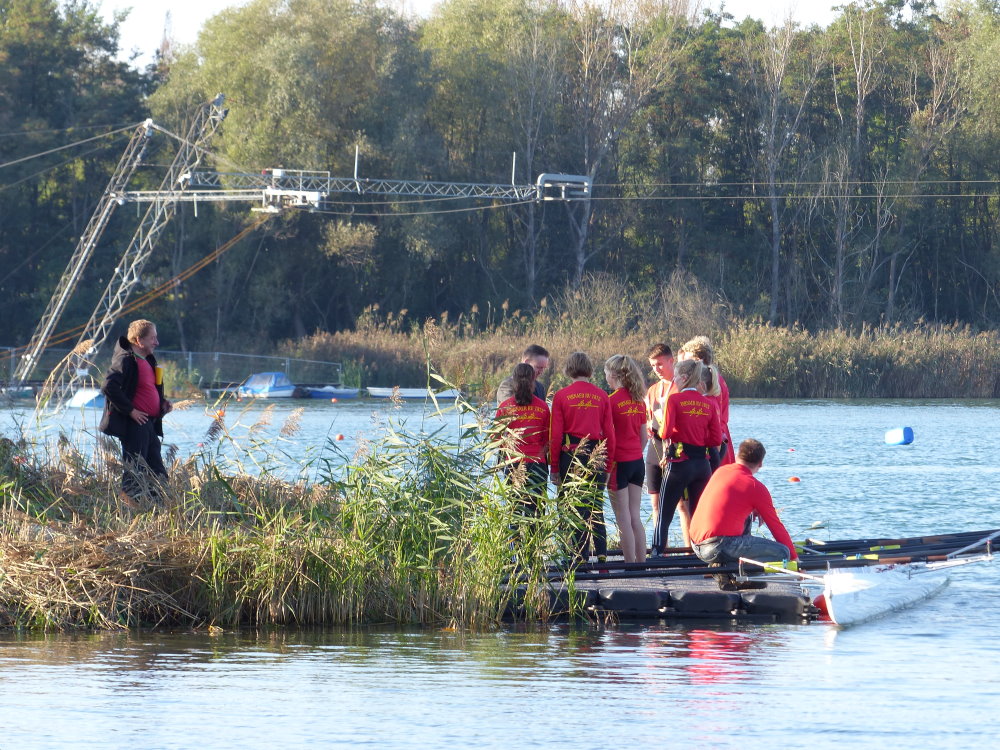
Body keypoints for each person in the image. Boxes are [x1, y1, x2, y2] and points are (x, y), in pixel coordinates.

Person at [689, 439, 798, 588]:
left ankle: (727, 571)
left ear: (737, 455)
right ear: (760, 463)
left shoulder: (721, 471)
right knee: (783, 552)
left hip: (696, 545)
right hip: (718, 546)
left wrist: (753, 509)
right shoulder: (755, 486)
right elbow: (776, 528)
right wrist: (795, 559)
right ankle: (732, 571)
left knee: (746, 516)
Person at [651, 358, 722, 556]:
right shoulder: (708, 403)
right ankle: (703, 554)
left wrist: (658, 425)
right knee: (699, 514)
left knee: (664, 514)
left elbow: (665, 433)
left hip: (679, 464)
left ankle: (657, 554)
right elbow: (716, 439)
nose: (673, 380)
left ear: (683, 378)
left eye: (675, 377)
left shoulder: (674, 400)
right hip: (702, 466)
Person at [549, 351, 615, 563]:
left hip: (571, 455)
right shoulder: (602, 396)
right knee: (595, 506)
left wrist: (554, 467)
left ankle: (579, 557)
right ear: (589, 370)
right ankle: (602, 557)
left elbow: (555, 435)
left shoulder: (561, 396)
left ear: (569, 370)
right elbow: (610, 434)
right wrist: (608, 466)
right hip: (597, 453)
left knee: (572, 506)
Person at [99, 319, 172, 501]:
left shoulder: (147, 360)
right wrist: (131, 411)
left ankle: (159, 508)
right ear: (139, 340)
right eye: (152, 338)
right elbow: (109, 387)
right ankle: (128, 508)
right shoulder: (126, 359)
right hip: (135, 425)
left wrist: (162, 405)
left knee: (157, 472)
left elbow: (145, 390)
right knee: (134, 472)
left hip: (148, 425)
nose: (156, 342)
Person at [604, 354, 648, 563]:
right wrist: (635, 452)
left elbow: (607, 436)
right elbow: (644, 437)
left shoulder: (610, 401)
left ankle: (630, 564)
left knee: (623, 518)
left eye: (606, 373)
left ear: (613, 375)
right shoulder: (639, 401)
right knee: (635, 516)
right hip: (637, 462)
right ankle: (642, 563)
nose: (606, 377)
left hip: (618, 463)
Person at [495, 363, 550, 515]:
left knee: (514, 513)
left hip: (513, 462)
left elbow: (496, 438)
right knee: (537, 513)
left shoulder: (505, 407)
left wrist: (509, 449)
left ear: (514, 381)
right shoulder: (543, 407)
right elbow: (548, 439)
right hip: (537, 464)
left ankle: (515, 532)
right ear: (533, 381)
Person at [679, 336, 733, 465]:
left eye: (688, 360)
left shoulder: (705, 382)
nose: (685, 364)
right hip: (719, 438)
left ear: (698, 360)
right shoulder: (715, 378)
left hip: (711, 443)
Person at [644, 343, 676, 529]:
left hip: (675, 447)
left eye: (660, 364)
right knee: (655, 505)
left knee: (682, 505)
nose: (656, 369)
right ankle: (659, 544)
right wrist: (648, 424)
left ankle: (689, 545)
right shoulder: (653, 390)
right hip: (655, 447)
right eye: (653, 365)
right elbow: (648, 416)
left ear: (671, 361)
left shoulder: (680, 386)